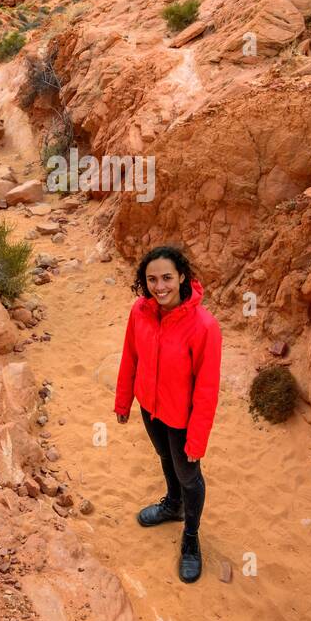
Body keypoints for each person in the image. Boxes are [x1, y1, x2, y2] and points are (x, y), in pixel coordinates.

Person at [114, 245, 222, 583]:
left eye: (166, 278)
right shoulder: (140, 312)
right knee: (164, 458)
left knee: (189, 474)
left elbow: (207, 389)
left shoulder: (204, 326)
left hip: (183, 418)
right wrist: (124, 401)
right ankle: (172, 504)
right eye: (152, 280)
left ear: (182, 278)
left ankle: (190, 538)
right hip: (150, 406)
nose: (159, 287)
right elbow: (130, 356)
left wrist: (197, 438)